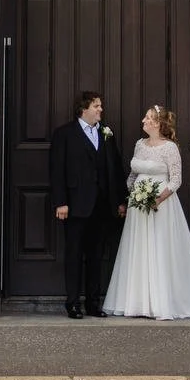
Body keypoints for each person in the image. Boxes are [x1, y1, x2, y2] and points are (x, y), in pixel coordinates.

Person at [103, 103, 190, 321]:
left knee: (159, 249)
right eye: (145, 117)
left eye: (148, 118)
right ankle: (138, 301)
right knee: (138, 249)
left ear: (158, 124)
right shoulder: (139, 144)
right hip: (138, 208)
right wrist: (130, 197)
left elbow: (176, 180)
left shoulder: (170, 148)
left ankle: (161, 301)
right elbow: (132, 175)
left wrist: (157, 199)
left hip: (162, 207)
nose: (144, 121)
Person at [48, 90, 127, 319]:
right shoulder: (64, 134)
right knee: (74, 255)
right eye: (96, 106)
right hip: (75, 205)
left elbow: (115, 168)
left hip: (102, 206)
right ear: (83, 109)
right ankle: (72, 303)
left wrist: (120, 201)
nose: (100, 109)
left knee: (96, 256)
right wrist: (61, 202)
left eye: (100, 106)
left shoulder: (106, 134)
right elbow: (57, 171)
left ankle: (93, 303)